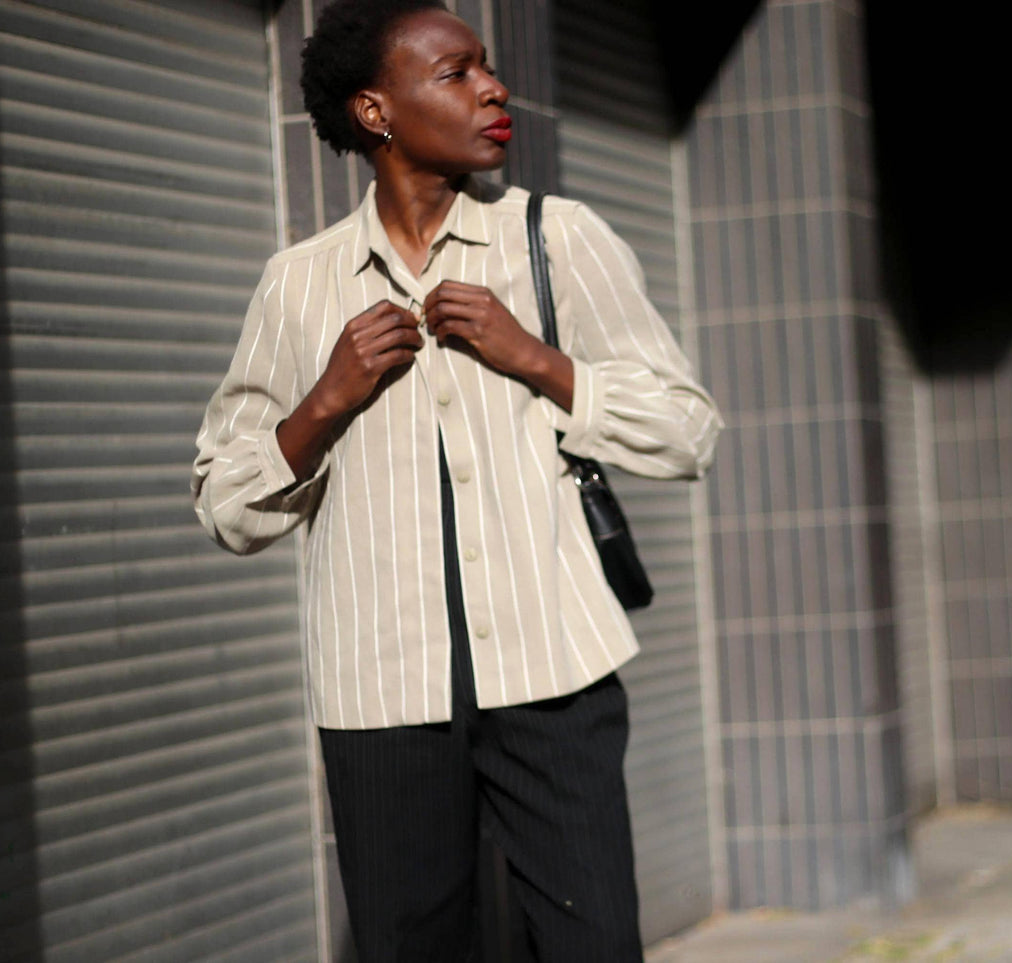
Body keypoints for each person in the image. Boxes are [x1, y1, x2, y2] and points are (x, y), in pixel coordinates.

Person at [190, 1, 722, 959]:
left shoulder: (560, 239)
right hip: (381, 699)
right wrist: (324, 401)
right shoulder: (300, 284)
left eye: (487, 66)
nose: (493, 87)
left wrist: (537, 359)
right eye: (456, 72)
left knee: (594, 942)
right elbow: (226, 502)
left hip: (554, 676)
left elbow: (687, 431)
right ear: (375, 110)